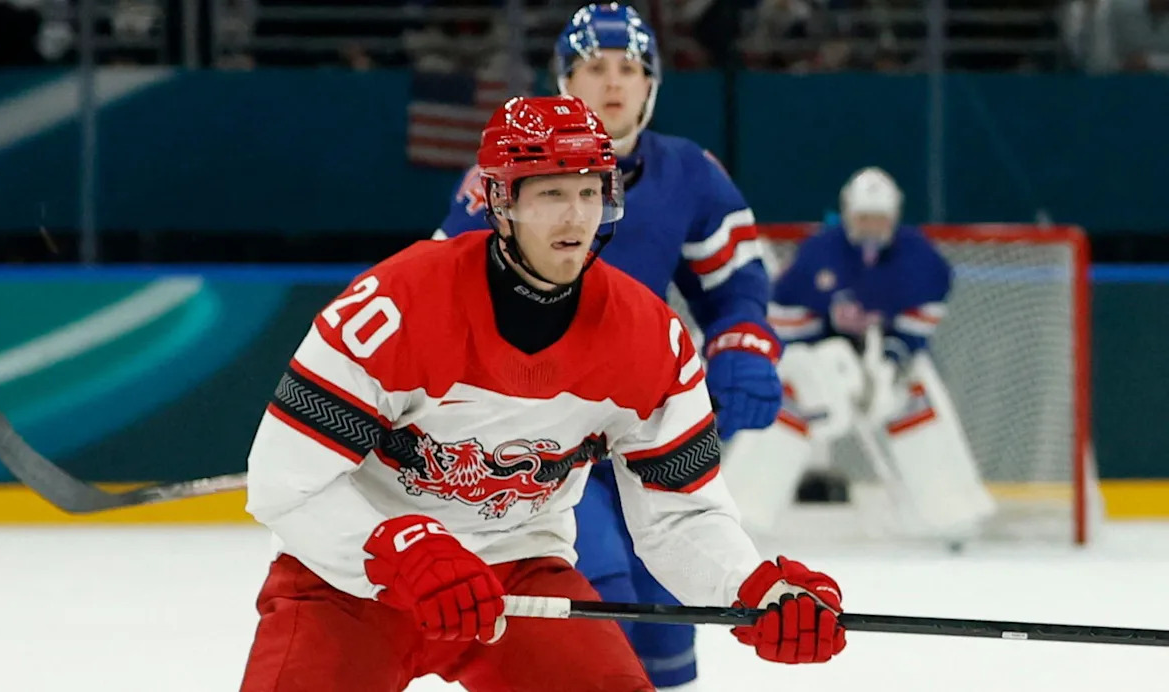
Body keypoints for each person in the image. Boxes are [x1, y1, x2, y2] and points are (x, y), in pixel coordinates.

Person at [238, 95, 846, 692]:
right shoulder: (393, 310)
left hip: (518, 577)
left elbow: (679, 514)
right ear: (500, 202)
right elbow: (281, 481)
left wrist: (756, 587)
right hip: (353, 582)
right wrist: (402, 551)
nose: (576, 218)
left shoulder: (649, 341)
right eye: (552, 193)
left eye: (590, 192)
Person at [433, 6, 783, 688]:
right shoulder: (507, 168)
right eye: (596, 66)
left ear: (653, 83)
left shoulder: (690, 171)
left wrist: (742, 345)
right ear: (565, 79)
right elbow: (445, 291)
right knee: (597, 596)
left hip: (637, 425)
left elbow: (736, 284)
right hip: (539, 435)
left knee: (665, 614)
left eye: (630, 67)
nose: (614, 82)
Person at [749, 166, 995, 542]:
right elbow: (786, 316)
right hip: (822, 360)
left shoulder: (918, 257)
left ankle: (953, 513)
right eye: (864, 217)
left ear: (894, 217)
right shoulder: (819, 252)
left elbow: (923, 315)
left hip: (887, 359)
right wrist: (821, 358)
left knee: (917, 394)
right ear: (848, 214)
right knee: (785, 403)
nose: (871, 227)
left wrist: (893, 357)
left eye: (879, 219)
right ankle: (746, 512)